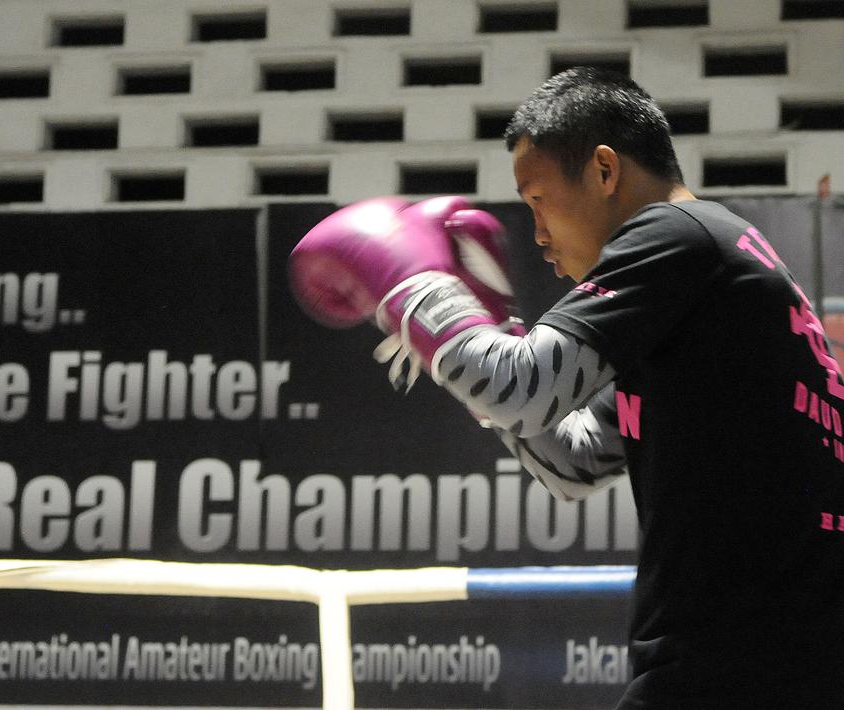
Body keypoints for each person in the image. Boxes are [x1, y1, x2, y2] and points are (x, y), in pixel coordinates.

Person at [290, 67, 844, 708]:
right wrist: (483, 338)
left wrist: (416, 290)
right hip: (768, 654)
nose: (539, 232)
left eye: (538, 199)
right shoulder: (707, 273)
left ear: (605, 172)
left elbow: (515, 386)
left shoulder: (676, 236)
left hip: (747, 662)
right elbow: (572, 460)